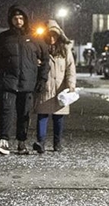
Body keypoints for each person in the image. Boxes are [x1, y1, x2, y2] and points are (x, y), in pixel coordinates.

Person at [0, 4, 49, 155]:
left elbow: (45, 60)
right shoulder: (3, 38)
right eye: (15, 18)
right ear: (10, 19)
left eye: (21, 18)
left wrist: (42, 79)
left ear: (26, 19)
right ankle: (4, 142)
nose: (18, 21)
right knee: (5, 111)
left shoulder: (35, 38)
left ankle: (22, 142)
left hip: (27, 83)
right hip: (7, 81)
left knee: (24, 113)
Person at [32, 20, 76, 154]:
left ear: (59, 36)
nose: (51, 39)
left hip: (60, 90)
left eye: (54, 36)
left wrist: (71, 85)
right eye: (49, 36)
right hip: (44, 88)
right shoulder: (39, 48)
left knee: (58, 118)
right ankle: (41, 142)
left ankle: (57, 143)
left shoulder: (65, 50)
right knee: (42, 116)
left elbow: (70, 68)